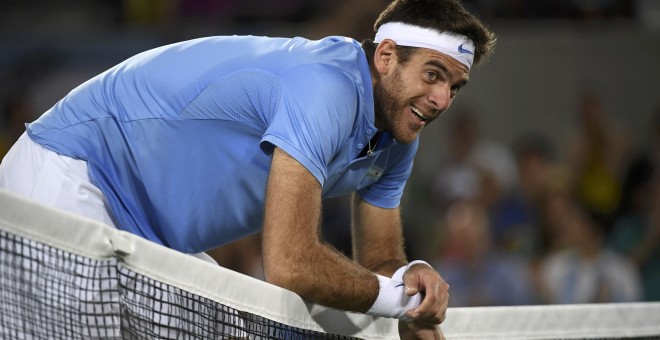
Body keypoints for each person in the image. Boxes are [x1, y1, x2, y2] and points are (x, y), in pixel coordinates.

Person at [0, 0, 496, 338]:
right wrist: (391, 300)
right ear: (386, 57)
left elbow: (381, 259)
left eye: (454, 86)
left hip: (151, 233)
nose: (440, 100)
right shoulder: (325, 88)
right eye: (433, 75)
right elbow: (290, 264)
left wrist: (411, 280)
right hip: (73, 168)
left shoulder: (397, 136)